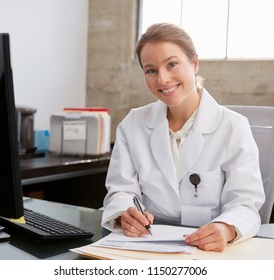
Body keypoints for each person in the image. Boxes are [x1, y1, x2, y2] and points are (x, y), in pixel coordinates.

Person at [101, 23, 265, 252]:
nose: (163, 79)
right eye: (151, 70)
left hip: (210, 249)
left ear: (194, 63)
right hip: (147, 244)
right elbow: (120, 191)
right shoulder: (132, 124)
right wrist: (123, 215)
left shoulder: (233, 126)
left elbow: (245, 203)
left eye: (172, 64)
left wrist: (227, 228)